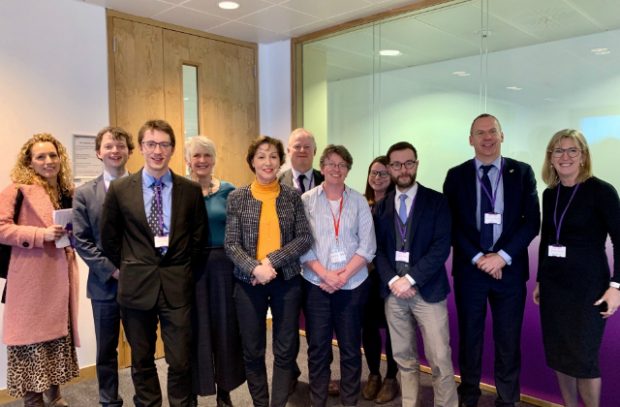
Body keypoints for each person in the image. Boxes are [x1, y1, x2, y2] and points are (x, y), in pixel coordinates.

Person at [101, 119, 208, 407]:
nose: (157, 150)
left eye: (164, 144)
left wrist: (184, 271)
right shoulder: (121, 189)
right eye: (151, 144)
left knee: (181, 360)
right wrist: (129, 267)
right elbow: (109, 239)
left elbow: (200, 241)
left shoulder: (190, 190)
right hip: (136, 289)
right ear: (141, 148)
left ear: (172, 149)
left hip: (177, 287)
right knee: (141, 359)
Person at [443, 113, 540, 407]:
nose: (487, 138)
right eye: (480, 133)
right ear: (470, 139)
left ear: (502, 135)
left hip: (509, 272)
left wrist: (501, 257)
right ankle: (469, 396)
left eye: (492, 132)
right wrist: (478, 257)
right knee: (470, 339)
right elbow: (452, 223)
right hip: (471, 272)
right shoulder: (456, 175)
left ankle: (507, 400)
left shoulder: (521, 173)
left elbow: (531, 222)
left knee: (508, 341)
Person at [533, 129, 620, 407]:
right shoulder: (550, 194)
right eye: (558, 151)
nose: (565, 156)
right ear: (551, 158)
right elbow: (548, 238)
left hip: (588, 290)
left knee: (583, 359)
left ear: (583, 157)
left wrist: (616, 286)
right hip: (555, 288)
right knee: (560, 355)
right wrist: (539, 281)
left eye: (573, 150)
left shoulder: (602, 191)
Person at [225, 135, 313, 407]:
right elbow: (231, 243)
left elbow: (303, 238)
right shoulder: (237, 197)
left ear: (280, 161)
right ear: (252, 161)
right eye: (261, 156)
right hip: (248, 282)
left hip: (286, 280)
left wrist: (271, 262)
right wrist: (255, 268)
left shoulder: (292, 197)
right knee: (252, 350)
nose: (267, 162)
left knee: (285, 350)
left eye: (273, 156)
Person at [375, 142, 458, 407]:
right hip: (393, 294)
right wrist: (393, 281)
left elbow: (440, 247)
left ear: (417, 164)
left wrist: (409, 280)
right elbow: (377, 250)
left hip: (428, 292)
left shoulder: (438, 202)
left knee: (440, 360)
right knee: (403, 359)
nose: (403, 169)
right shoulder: (381, 206)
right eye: (397, 164)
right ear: (389, 168)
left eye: (409, 163)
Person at [0, 133, 79, 407]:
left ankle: (55, 399)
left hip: (60, 278)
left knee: (56, 340)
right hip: (30, 279)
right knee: (31, 343)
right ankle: (34, 402)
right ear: (29, 162)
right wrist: (39, 234)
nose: (49, 161)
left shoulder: (67, 190)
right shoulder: (17, 190)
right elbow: (1, 227)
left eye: (53, 155)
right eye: (41, 157)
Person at [300, 144, 376, 407]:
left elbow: (367, 247)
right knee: (318, 349)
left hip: (352, 284)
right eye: (331, 163)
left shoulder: (358, 202)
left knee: (351, 349)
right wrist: (325, 275)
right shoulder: (306, 200)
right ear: (322, 167)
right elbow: (302, 244)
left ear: (348, 170)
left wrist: (341, 276)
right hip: (315, 284)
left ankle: (349, 402)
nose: (336, 169)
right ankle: (317, 401)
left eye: (342, 165)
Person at [73, 126, 134, 407]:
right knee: (106, 350)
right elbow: (81, 240)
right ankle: (109, 401)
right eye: (109, 146)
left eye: (121, 145)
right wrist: (112, 269)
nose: (115, 150)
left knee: (142, 347)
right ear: (99, 152)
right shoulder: (84, 193)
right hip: (103, 285)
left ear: (129, 151)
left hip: (139, 283)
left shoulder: (145, 187)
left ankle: (145, 397)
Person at [185, 135, 245, 407]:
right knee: (196, 329)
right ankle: (196, 390)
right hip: (192, 267)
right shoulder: (181, 190)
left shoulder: (229, 190)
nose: (202, 160)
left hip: (224, 266)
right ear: (188, 160)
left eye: (207, 155)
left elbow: (241, 231)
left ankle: (225, 390)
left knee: (225, 328)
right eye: (196, 155)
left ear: (214, 159)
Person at [360, 155, 399, 403]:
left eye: (383, 173)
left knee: (395, 329)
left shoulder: (401, 204)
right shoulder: (361, 203)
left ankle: (391, 378)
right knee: (369, 328)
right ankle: (373, 374)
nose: (377, 177)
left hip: (393, 277)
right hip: (366, 278)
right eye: (373, 172)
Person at [279, 128, 324, 193]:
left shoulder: (326, 180)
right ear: (288, 151)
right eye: (297, 146)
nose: (302, 150)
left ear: (315, 151)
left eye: (307, 147)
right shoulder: (278, 181)